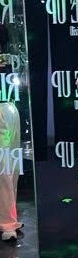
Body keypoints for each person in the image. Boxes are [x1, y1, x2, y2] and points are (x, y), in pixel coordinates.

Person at [0, 26, 23, 241]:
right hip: (5, 109)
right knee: (5, 167)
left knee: (10, 166)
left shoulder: (8, 58)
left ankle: (8, 216)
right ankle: (7, 220)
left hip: (8, 108)